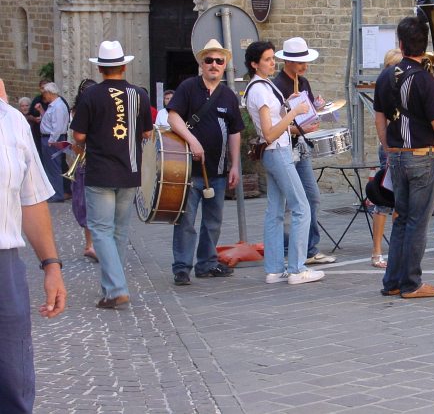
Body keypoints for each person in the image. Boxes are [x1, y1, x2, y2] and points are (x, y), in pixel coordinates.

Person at [373, 16, 434, 298]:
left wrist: (389, 148)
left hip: (398, 156)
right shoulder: (425, 79)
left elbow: (379, 117)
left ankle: (392, 281)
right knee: (417, 221)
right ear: (424, 44)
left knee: (401, 218)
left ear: (400, 44)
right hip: (422, 156)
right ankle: (411, 283)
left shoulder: (386, 75)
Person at [0, 78, 67, 414]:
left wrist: (51, 264)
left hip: (4, 268)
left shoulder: (12, 122)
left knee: (11, 381)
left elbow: (31, 201)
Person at [71, 40, 153, 308]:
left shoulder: (90, 96)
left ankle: (116, 288)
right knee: (118, 231)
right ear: (124, 66)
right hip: (129, 170)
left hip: (101, 171)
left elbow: (79, 135)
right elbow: (147, 133)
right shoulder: (139, 94)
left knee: (101, 230)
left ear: (100, 70)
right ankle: (112, 289)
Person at [244, 41, 325, 285]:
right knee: (302, 207)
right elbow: (269, 132)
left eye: (272, 58)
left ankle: (275, 268)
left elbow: (272, 122)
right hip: (277, 150)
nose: (272, 63)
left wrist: (288, 104)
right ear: (254, 64)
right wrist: (293, 111)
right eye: (267, 59)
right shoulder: (259, 89)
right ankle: (297, 268)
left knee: (275, 211)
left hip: (275, 151)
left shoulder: (262, 86)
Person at [167, 39, 243, 285]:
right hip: (188, 170)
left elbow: (235, 132)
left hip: (218, 171)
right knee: (186, 221)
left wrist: (235, 165)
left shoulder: (229, 96)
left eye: (218, 61)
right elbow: (173, 117)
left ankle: (207, 263)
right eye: (209, 60)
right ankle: (181, 267)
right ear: (201, 63)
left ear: (224, 66)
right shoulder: (189, 87)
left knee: (213, 221)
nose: (213, 65)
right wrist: (192, 141)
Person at [273, 37, 336, 266]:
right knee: (287, 203)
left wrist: (317, 109)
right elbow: (274, 125)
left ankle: (309, 249)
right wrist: (297, 128)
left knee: (311, 197)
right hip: (284, 146)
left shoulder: (304, 82)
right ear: (288, 62)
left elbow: (305, 114)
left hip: (300, 147)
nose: (304, 66)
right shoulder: (278, 86)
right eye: (300, 62)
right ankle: (294, 248)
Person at [368, 48, 403, 269]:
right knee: (384, 201)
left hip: (402, 147)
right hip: (391, 146)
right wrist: (387, 145)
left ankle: (396, 250)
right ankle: (377, 252)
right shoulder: (387, 89)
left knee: (400, 201)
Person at [69, 78, 98, 262]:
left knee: (89, 204)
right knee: (87, 204)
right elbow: (75, 139)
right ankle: (91, 245)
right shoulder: (78, 112)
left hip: (89, 161)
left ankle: (92, 245)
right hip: (84, 160)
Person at [37, 82, 70, 203]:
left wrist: (51, 141)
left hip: (52, 140)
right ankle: (54, 193)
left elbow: (58, 127)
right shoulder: (54, 105)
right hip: (49, 139)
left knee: (54, 168)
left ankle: (57, 194)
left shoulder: (58, 106)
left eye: (44, 93)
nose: (43, 96)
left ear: (49, 93)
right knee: (50, 167)